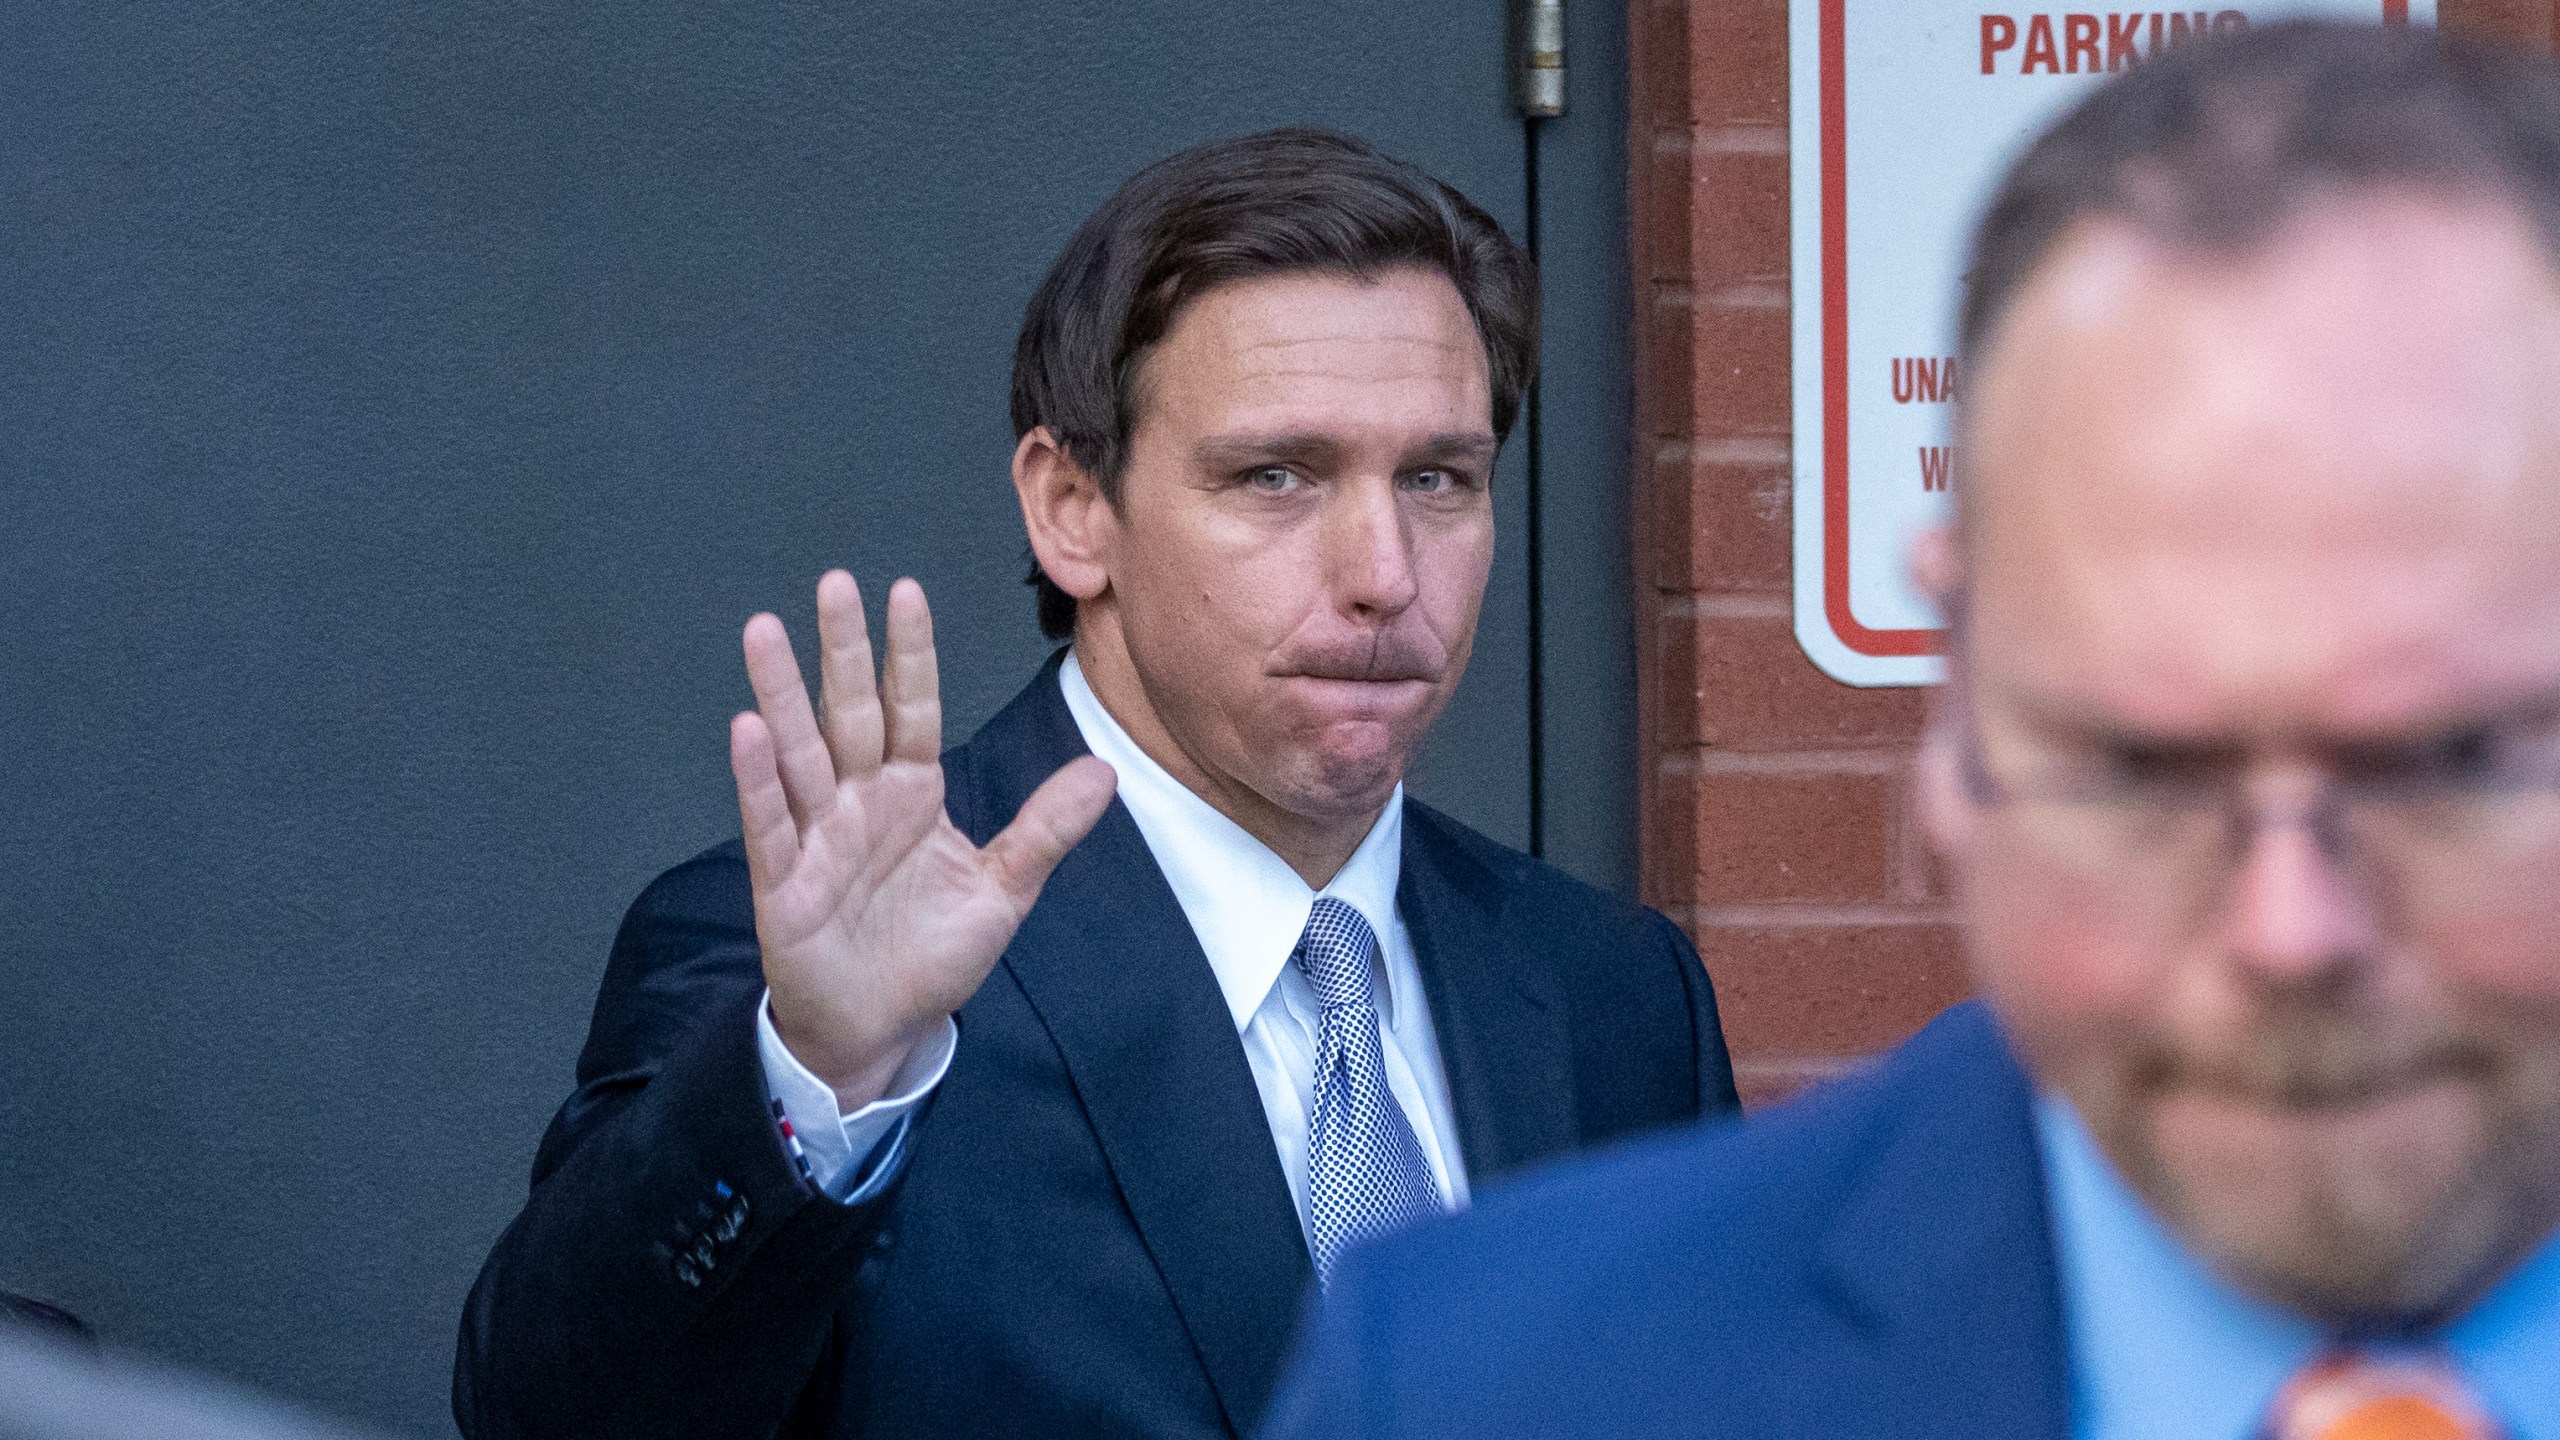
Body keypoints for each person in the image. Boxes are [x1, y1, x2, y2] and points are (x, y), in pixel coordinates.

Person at [1259, 23, 2560, 1440]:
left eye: (2451, 763)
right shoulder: (1493, 1390)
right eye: (2136, 772)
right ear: (1953, 696)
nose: (2289, 930)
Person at [453, 127, 1739, 1440]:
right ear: (1074, 509)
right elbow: (556, 1418)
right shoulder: (820, 976)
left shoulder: (1615, 996)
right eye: (1277, 476)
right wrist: (819, 1079)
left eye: (1437, 479)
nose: (1384, 571)